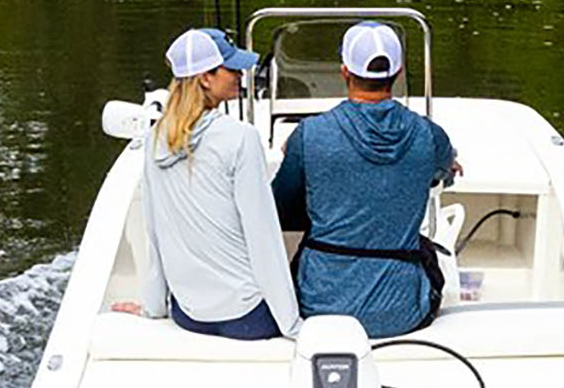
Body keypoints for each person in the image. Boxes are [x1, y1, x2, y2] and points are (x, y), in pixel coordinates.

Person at [271, 21, 458, 339]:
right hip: (402, 312)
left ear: (344, 71)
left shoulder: (310, 135)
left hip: (321, 305)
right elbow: (444, 175)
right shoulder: (430, 135)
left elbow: (280, 206)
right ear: (398, 73)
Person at [122, 27, 300, 340]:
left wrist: (153, 307)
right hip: (247, 318)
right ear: (206, 77)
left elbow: (155, 231)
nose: (240, 75)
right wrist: (292, 324)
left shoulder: (154, 140)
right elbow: (263, 237)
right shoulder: (241, 138)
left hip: (187, 314)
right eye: (230, 68)